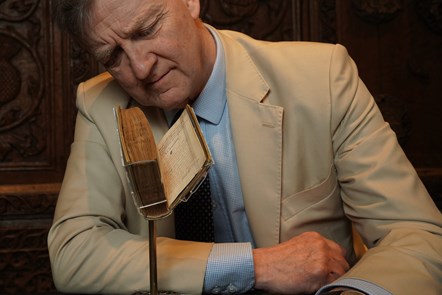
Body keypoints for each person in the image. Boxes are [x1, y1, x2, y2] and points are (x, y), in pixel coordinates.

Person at [48, 0, 442, 294]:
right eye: (113, 55)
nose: (140, 67)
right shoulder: (99, 104)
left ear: (190, 2)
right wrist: (254, 266)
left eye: (147, 29)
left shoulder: (323, 77)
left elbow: (416, 233)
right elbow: (74, 250)